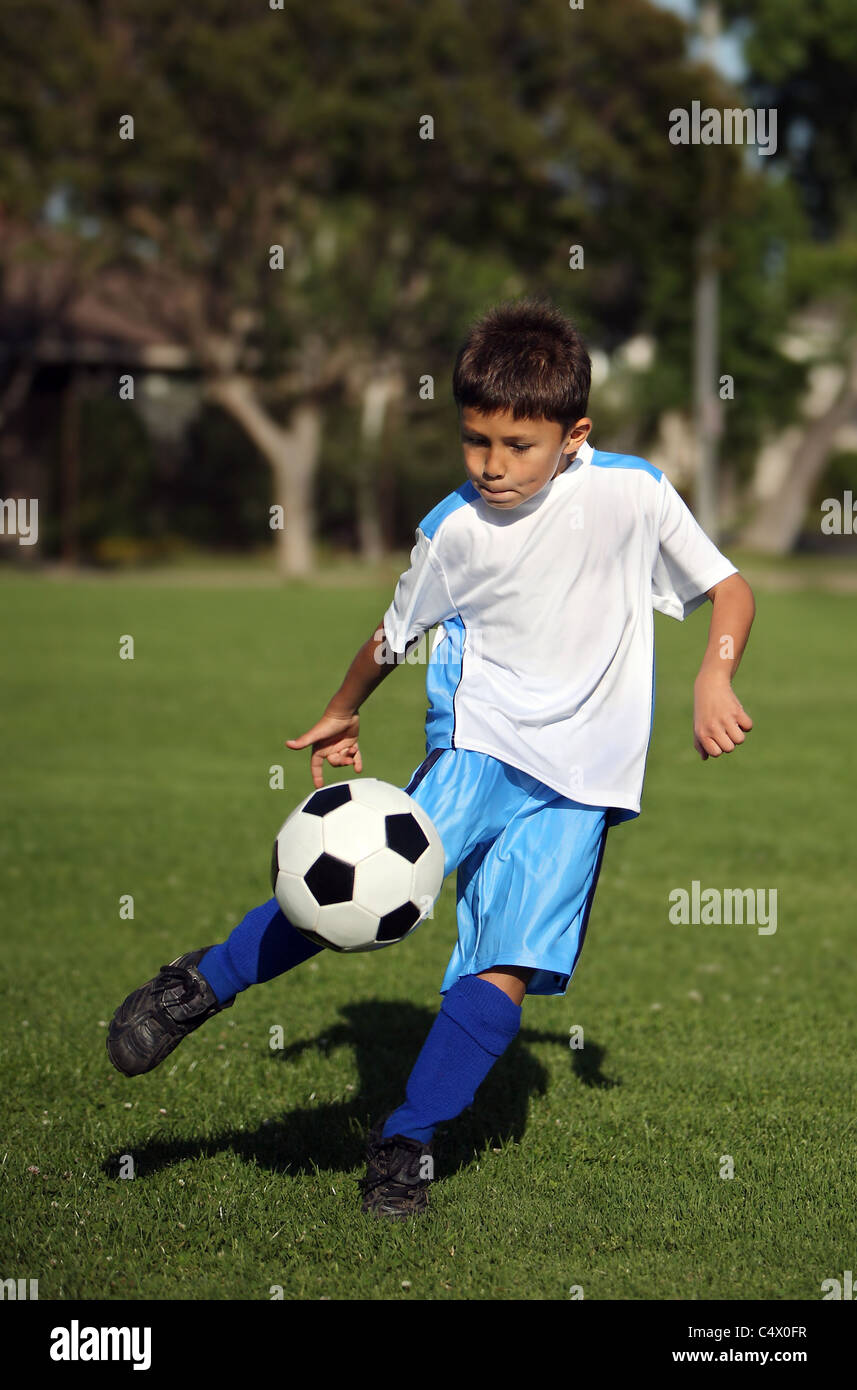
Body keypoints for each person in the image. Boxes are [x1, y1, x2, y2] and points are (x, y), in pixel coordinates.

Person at [107, 297, 755, 1219]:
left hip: (583, 786)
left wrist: (713, 678)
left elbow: (728, 590)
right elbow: (392, 633)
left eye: (516, 446)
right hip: (479, 745)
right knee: (352, 890)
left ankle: (406, 1144)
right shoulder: (452, 528)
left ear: (574, 435)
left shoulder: (634, 493)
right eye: (474, 441)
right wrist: (340, 711)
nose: (491, 466)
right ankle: (197, 985)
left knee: (505, 967)